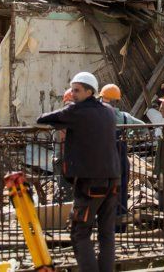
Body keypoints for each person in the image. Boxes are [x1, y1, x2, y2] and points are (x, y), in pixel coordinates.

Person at [37, 72, 120, 272]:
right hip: (113, 179)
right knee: (106, 233)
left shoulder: (77, 111)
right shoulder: (108, 111)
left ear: (89, 91)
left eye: (76, 90)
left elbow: (44, 118)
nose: (72, 94)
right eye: (72, 89)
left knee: (80, 232)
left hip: (91, 182)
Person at [99, 83, 142, 229]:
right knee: (121, 192)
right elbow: (142, 127)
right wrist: (129, 134)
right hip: (121, 161)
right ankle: (120, 227)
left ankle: (105, 226)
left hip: (104, 161)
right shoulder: (125, 117)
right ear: (116, 100)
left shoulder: (99, 116)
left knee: (103, 193)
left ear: (105, 100)